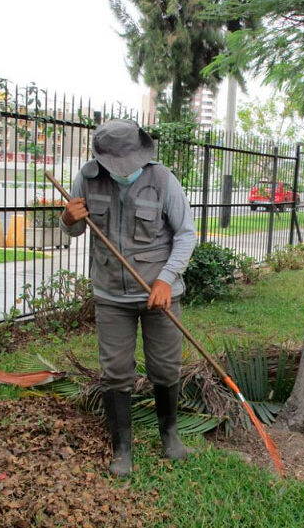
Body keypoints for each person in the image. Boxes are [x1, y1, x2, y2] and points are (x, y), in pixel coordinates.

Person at [60, 119, 197, 477]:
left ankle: (170, 435)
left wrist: (166, 280)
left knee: (166, 368)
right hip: (110, 295)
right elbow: (74, 230)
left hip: (160, 296)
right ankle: (122, 449)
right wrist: (67, 219)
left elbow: (185, 235)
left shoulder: (163, 180)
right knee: (115, 373)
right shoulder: (87, 179)